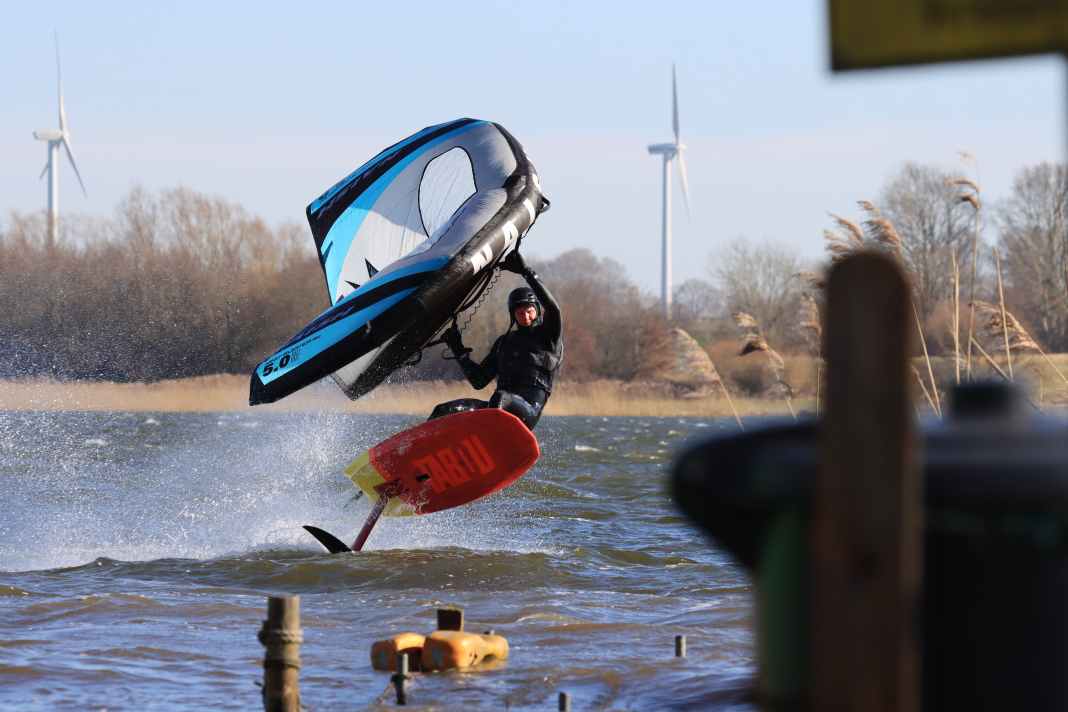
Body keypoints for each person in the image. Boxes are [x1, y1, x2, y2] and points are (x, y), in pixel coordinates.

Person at [430, 250, 563, 430]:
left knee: (500, 398)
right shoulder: (504, 343)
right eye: (519, 311)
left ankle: (491, 443)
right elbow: (479, 380)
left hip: (526, 412)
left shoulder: (548, 337)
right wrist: (457, 348)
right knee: (443, 409)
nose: (524, 314)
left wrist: (526, 272)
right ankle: (413, 448)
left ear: (537, 311)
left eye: (529, 310)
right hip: (496, 407)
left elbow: (554, 309)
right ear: (512, 314)